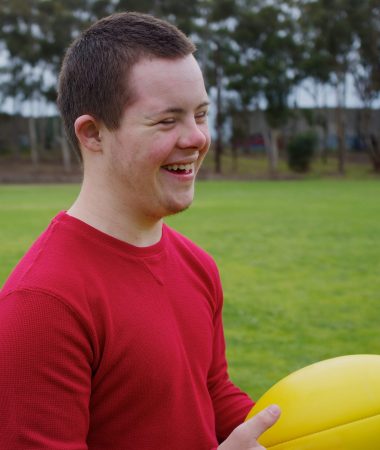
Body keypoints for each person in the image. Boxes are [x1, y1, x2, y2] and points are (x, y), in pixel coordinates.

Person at [0, 12, 280, 449]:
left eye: (200, 115)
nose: (197, 138)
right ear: (93, 133)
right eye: (167, 121)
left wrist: (307, 427)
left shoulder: (197, 264)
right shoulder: (43, 303)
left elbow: (212, 393)